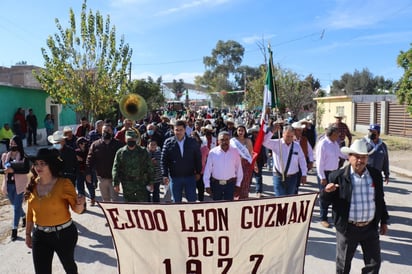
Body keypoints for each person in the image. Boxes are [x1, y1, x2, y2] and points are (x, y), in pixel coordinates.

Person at [320, 139, 389, 274]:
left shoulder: (375, 175)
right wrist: (326, 192)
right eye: (356, 157)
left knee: (374, 265)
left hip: (370, 228)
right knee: (343, 265)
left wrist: (384, 220)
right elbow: (325, 201)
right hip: (347, 229)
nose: (360, 161)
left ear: (367, 158)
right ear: (349, 157)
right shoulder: (337, 176)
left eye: (363, 157)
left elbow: (380, 199)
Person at [24, 148, 85, 274]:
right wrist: (27, 234)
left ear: (51, 165)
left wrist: (80, 204)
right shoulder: (33, 184)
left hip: (63, 234)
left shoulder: (64, 184)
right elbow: (30, 213)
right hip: (40, 235)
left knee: (69, 267)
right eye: (36, 164)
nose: (38, 167)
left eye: (42, 163)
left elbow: (77, 210)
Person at [161, 120, 202, 203]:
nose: (178, 132)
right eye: (176, 130)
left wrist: (198, 172)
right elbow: (163, 160)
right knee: (176, 202)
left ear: (185, 130)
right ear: (173, 130)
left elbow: (198, 157)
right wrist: (164, 175)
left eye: (181, 130)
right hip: (175, 177)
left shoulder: (192, 142)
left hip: (190, 176)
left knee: (192, 201)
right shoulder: (168, 142)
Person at [316, 125, 348, 228]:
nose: (338, 136)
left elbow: (340, 154)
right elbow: (319, 162)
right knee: (324, 197)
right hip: (325, 173)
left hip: (334, 172)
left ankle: (335, 217)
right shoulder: (323, 144)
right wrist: (322, 177)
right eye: (337, 134)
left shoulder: (335, 144)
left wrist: (350, 157)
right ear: (332, 134)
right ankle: (323, 218)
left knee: (335, 195)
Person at [262, 124, 307, 196]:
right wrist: (272, 131)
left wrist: (304, 174)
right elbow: (264, 142)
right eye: (287, 136)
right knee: (280, 199)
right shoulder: (276, 143)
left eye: (291, 136)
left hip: (292, 177)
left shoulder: (296, 146)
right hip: (278, 176)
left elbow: (302, 160)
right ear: (283, 134)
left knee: (290, 199)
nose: (289, 138)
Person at [112, 129, 155, 202]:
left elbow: (149, 167)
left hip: (141, 183)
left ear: (136, 139)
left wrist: (151, 182)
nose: (131, 141)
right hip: (127, 184)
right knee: (129, 206)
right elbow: (115, 168)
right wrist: (116, 183)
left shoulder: (143, 151)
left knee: (142, 206)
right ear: (125, 139)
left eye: (133, 139)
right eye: (129, 139)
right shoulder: (121, 152)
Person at [1, 135, 30, 241]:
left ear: (19, 145)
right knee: (15, 206)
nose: (12, 145)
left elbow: (26, 170)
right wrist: (5, 171)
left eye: (14, 144)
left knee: (16, 208)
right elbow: (1, 169)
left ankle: (14, 230)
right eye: (11, 144)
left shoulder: (23, 157)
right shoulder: (5, 156)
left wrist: (13, 170)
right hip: (8, 185)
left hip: (20, 185)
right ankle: (24, 216)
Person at [86, 124, 123, 202]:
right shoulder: (96, 145)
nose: (106, 132)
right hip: (101, 178)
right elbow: (89, 159)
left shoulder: (118, 144)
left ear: (112, 131)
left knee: (115, 200)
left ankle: (115, 214)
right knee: (105, 200)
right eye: (104, 131)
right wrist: (88, 173)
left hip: (114, 178)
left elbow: (123, 160)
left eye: (108, 130)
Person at [203, 131, 243, 201]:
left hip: (230, 184)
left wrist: (238, 184)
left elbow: (239, 168)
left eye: (227, 139)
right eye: (222, 140)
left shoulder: (235, 152)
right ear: (218, 141)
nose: (224, 142)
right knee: (217, 206)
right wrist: (207, 185)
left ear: (229, 140)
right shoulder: (213, 152)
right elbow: (208, 169)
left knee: (229, 206)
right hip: (216, 185)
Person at [231, 123, 253, 200]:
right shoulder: (233, 141)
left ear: (245, 132)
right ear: (236, 131)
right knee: (236, 180)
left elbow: (251, 153)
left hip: (246, 164)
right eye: (239, 130)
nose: (240, 132)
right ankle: (235, 197)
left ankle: (243, 198)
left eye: (242, 130)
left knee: (245, 181)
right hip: (235, 164)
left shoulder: (248, 141)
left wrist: (254, 165)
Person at [292, 121, 314, 194]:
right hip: (292, 165)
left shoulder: (304, 139)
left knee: (297, 184)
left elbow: (310, 151)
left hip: (301, 164)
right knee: (292, 184)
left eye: (301, 130)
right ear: (294, 130)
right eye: (299, 130)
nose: (301, 131)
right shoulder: (290, 139)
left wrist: (311, 161)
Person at [75, 137, 96, 206]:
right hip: (79, 173)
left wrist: (82, 159)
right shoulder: (76, 152)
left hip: (88, 172)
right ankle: (83, 204)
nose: (85, 144)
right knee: (80, 188)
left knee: (90, 186)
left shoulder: (89, 151)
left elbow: (90, 161)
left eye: (85, 143)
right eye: (83, 143)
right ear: (79, 144)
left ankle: (92, 199)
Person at [248, 125, 267, 198]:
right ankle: (247, 189)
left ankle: (259, 191)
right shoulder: (249, 140)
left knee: (258, 176)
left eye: (257, 132)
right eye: (254, 132)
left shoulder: (262, 140)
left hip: (259, 160)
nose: (255, 134)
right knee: (249, 176)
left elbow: (263, 150)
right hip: (250, 160)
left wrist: (265, 160)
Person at [190, 131, 209, 201]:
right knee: (191, 191)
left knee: (201, 190)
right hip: (191, 172)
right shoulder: (188, 148)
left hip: (202, 172)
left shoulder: (204, 148)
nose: (193, 139)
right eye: (191, 137)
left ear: (198, 138)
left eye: (195, 137)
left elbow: (209, 159)